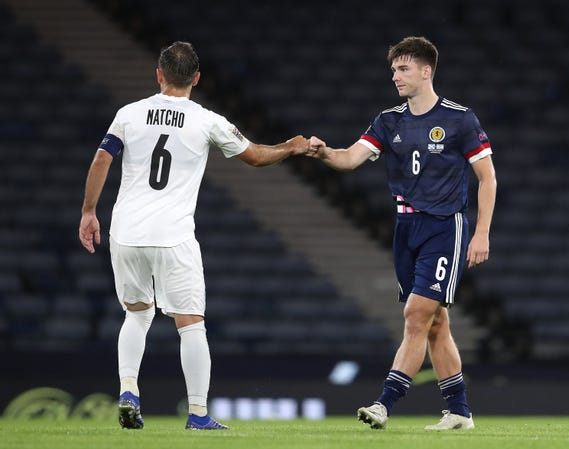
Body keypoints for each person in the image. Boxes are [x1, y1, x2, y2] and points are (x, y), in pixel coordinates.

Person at [79, 41, 308, 430]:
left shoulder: (129, 114)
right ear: (197, 79)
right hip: (173, 235)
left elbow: (102, 159)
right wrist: (291, 146)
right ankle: (198, 413)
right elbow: (253, 155)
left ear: (159, 75)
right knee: (190, 324)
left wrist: (88, 212)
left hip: (126, 232)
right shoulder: (207, 120)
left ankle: (129, 391)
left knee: (137, 314)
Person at [306, 36, 497, 430]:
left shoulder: (460, 119)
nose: (395, 75)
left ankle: (384, 403)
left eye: (403, 68)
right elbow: (350, 159)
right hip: (405, 227)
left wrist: (481, 234)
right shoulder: (388, 120)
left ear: (426, 71)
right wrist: (324, 152)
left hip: (445, 225)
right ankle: (459, 411)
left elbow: (488, 177)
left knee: (416, 315)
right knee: (435, 322)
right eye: (394, 69)